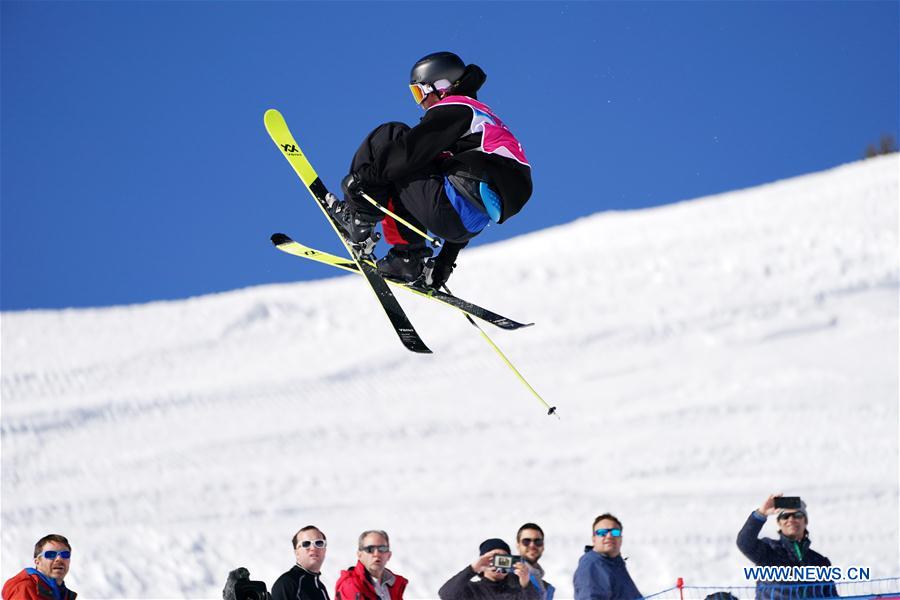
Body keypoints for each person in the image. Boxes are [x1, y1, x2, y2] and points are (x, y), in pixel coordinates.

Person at [329, 50, 532, 289]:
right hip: (462, 223)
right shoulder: (484, 122)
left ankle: (359, 219)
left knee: (391, 135)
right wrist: (446, 259)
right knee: (409, 167)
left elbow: (408, 152)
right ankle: (407, 260)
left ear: (442, 86)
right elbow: (475, 201)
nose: (421, 103)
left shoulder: (456, 108)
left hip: (446, 207)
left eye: (420, 92)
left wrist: (360, 182)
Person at [736, 494, 837, 598]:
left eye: (797, 515)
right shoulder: (768, 550)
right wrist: (761, 513)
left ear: (805, 521)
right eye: (785, 516)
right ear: (779, 523)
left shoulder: (820, 562)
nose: (791, 519)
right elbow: (744, 543)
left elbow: (832, 596)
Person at [438, 538, 540, 600]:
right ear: (482, 561)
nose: (499, 564)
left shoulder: (518, 591)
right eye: (493, 558)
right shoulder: (472, 590)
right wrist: (472, 569)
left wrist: (525, 583)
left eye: (504, 558)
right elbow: (446, 595)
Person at [572, 514, 641, 600]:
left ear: (621, 538)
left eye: (615, 532)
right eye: (602, 532)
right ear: (594, 539)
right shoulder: (593, 565)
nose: (609, 536)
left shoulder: (615, 564)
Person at [334, 530, 407, 600]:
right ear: (359, 555)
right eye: (370, 549)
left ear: (389, 555)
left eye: (382, 549)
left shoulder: (392, 585)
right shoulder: (351, 585)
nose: (376, 554)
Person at [2, 534, 77, 600]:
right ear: (37, 562)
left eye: (65, 554)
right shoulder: (24, 588)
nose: (59, 559)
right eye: (50, 554)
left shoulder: (63, 595)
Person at [271, 525, 331, 600]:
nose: (313, 548)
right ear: (297, 553)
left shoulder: (321, 588)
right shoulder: (287, 583)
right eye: (306, 544)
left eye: (319, 543)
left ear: (324, 550)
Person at [515, 523, 554, 600]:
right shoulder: (506, 577)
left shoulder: (547, 588)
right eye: (526, 541)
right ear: (518, 545)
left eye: (537, 542)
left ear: (543, 546)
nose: (532, 545)